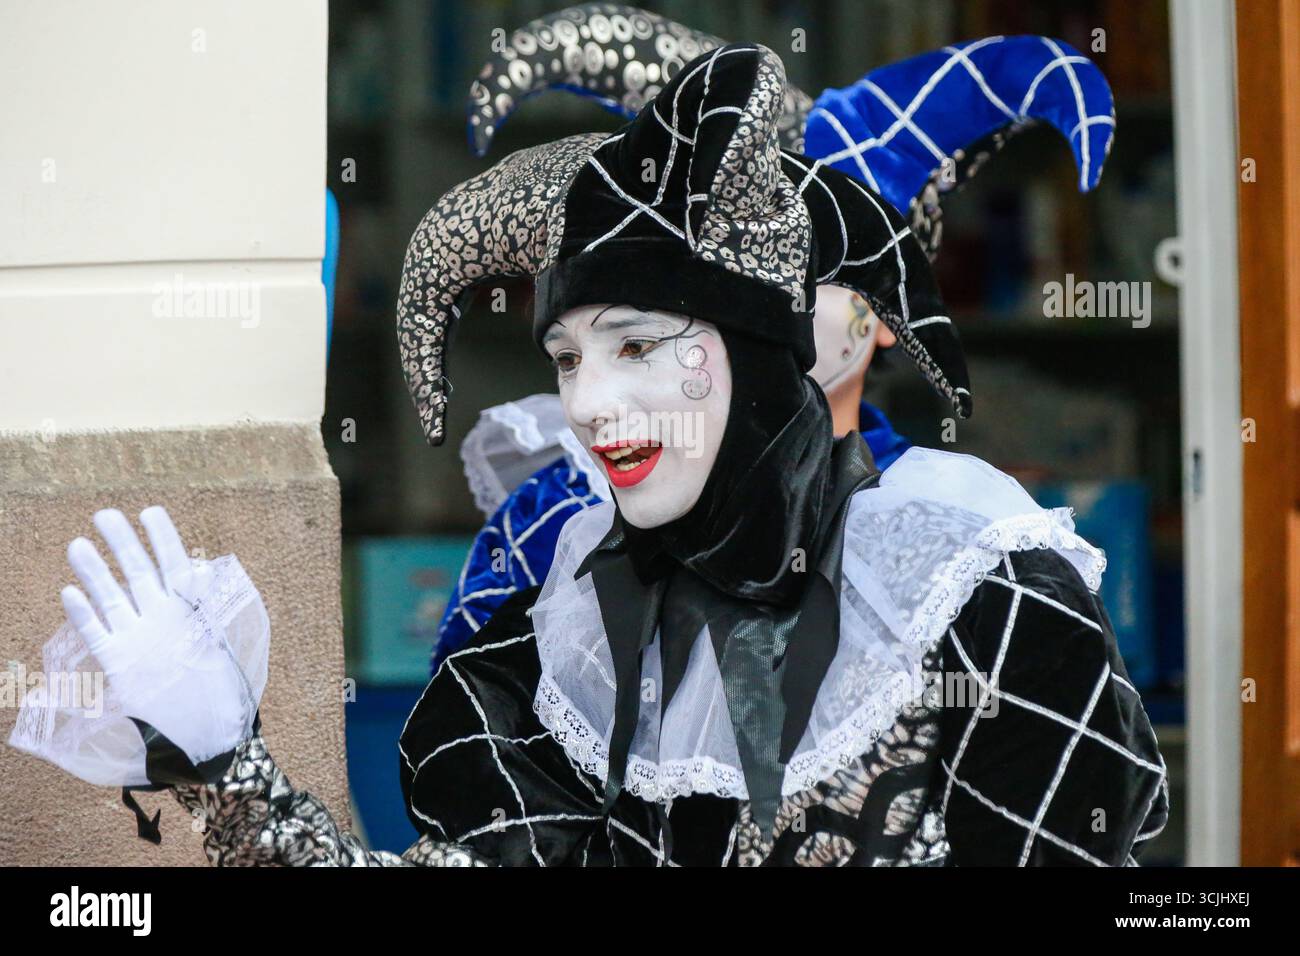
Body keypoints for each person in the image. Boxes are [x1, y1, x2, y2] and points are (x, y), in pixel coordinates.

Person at [12, 41, 1166, 866]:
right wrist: (226, 764)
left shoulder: (975, 587)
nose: (591, 404)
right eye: (566, 357)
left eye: (638, 344)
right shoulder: (556, 624)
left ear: (762, 348)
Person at [435, 4, 1116, 672]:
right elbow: (472, 706)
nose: (764, 299)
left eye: (813, 271)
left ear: (886, 311)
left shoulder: (949, 525)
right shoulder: (565, 506)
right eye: (731, 266)